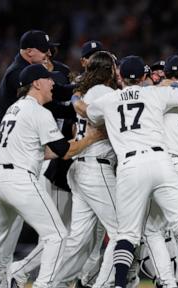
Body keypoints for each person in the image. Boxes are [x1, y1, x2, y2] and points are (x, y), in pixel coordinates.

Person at [75, 55, 178, 288]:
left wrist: (76, 97)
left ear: (120, 77)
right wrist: (165, 83)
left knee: (127, 234)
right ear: (145, 76)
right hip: (160, 161)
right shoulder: (155, 92)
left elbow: (86, 112)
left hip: (130, 166)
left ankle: (118, 284)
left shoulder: (110, 99)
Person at [0, 63, 104, 288]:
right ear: (36, 83)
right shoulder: (38, 111)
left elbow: (45, 152)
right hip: (18, 181)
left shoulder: (14, 109)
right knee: (58, 235)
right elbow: (64, 151)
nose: (53, 84)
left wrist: (76, 143)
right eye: (49, 79)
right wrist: (92, 138)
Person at [0, 29, 58, 287]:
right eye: (45, 50)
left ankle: (1, 268)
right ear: (30, 52)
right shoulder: (20, 73)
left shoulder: (15, 73)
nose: (48, 55)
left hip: (1, 147)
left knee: (7, 211)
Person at [53, 50, 119, 288]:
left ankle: (53, 283)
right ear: (109, 70)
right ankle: (103, 285)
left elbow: (81, 109)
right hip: (97, 168)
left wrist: (75, 97)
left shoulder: (87, 93)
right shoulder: (105, 92)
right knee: (123, 233)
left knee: (78, 239)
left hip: (80, 169)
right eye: (115, 66)